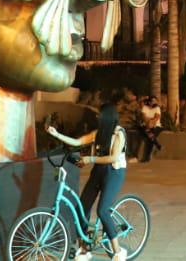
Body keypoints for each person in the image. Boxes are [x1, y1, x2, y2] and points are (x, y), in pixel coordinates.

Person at [47, 101, 130, 261]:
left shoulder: (119, 134)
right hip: (98, 171)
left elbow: (113, 157)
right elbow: (78, 142)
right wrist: (56, 134)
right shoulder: (99, 133)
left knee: (102, 210)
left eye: (101, 115)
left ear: (107, 117)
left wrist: (90, 159)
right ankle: (84, 250)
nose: (98, 117)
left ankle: (118, 251)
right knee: (81, 208)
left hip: (114, 173)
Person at [136, 96, 162, 162]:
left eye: (155, 101)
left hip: (156, 126)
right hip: (146, 126)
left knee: (150, 137)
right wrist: (148, 124)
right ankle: (157, 144)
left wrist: (151, 123)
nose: (154, 102)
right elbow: (144, 117)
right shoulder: (145, 107)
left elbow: (157, 117)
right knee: (150, 136)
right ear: (149, 102)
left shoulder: (157, 108)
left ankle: (146, 158)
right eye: (153, 101)